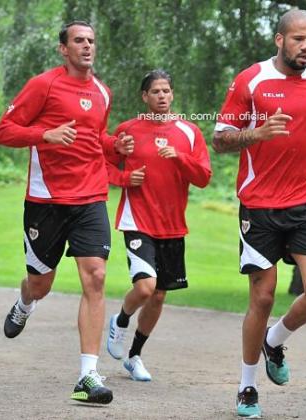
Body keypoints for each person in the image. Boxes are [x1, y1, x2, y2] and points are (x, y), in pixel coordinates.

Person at [212, 9, 306, 418]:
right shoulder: (250, 80)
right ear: (279, 40)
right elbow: (219, 139)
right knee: (263, 295)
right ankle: (247, 386)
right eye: (298, 39)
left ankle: (275, 339)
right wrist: (258, 133)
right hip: (259, 206)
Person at [0, 21, 134, 404]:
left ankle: (88, 375)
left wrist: (115, 145)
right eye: (79, 41)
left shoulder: (103, 91)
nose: (87, 46)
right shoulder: (44, 85)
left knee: (97, 277)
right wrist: (44, 135)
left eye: (91, 41)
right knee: (41, 284)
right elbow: (3, 131)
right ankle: (25, 303)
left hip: (90, 196)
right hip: (46, 200)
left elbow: (95, 140)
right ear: (63, 49)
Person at [105, 70, 212, 381]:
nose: (162, 96)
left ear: (173, 94)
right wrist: (125, 178)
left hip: (173, 225)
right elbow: (101, 165)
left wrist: (178, 156)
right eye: (155, 92)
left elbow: (203, 178)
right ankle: (121, 321)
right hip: (137, 219)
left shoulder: (189, 133)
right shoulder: (127, 130)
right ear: (144, 97)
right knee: (145, 286)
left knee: (160, 295)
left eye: (166, 90)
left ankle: (135, 355)